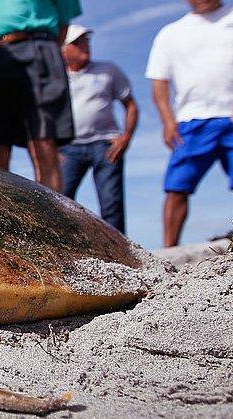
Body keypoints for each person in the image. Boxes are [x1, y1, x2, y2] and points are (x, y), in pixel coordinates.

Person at [0, 0, 81, 192]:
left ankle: (52, 217)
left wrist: (46, 49)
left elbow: (64, 21)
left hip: (38, 45)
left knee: (43, 139)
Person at [146, 0, 233, 247]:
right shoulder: (171, 33)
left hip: (230, 116)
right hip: (191, 121)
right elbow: (159, 81)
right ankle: (168, 251)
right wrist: (167, 120)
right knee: (176, 187)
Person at [60, 25, 138, 234]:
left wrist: (126, 136)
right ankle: (67, 248)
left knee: (111, 202)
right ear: (63, 49)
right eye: (77, 43)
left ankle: (121, 256)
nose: (84, 46)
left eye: (86, 41)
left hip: (106, 144)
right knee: (59, 199)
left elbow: (130, 104)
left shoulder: (108, 70)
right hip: (68, 148)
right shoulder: (55, 76)